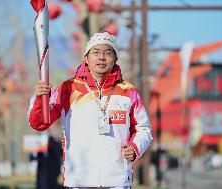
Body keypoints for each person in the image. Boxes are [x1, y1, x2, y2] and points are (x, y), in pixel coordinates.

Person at [28, 32, 152, 188]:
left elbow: (144, 129)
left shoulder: (128, 91)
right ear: (86, 58)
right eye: (96, 52)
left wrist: (135, 148)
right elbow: (39, 123)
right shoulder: (68, 89)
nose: (101, 57)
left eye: (108, 53)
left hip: (117, 181)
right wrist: (40, 98)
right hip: (79, 180)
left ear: (115, 59)